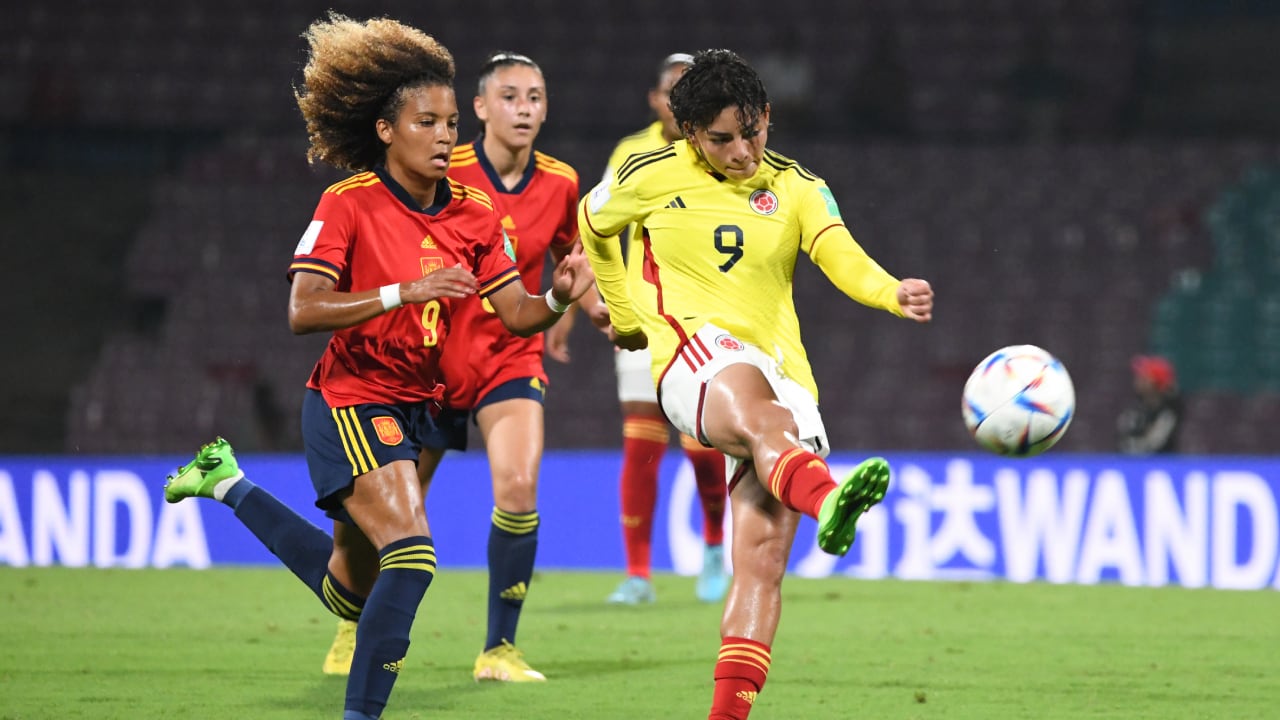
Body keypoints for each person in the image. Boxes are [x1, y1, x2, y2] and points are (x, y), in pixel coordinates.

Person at [161, 14, 593, 720]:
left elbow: (515, 313)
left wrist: (556, 297)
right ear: (388, 131)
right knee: (414, 558)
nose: (446, 135)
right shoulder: (349, 202)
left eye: (452, 122)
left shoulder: (475, 214)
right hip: (350, 399)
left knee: (346, 593)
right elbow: (302, 309)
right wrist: (403, 292)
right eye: (428, 121)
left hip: (416, 405)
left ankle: (226, 481)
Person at [578, 49, 933, 719]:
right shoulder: (644, 174)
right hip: (694, 354)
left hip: (783, 368)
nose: (742, 151)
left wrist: (892, 292)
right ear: (689, 133)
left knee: (763, 560)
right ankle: (828, 501)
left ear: (767, 116)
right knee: (765, 421)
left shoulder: (798, 185)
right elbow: (592, 227)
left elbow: (839, 253)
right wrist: (627, 317)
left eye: (753, 131)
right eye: (722, 139)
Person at [322, 50, 583, 683]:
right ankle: (351, 625)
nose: (525, 109)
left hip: (508, 358)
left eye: (536, 98)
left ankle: (498, 649)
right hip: (427, 368)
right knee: (381, 522)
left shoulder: (561, 182)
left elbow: (574, 261)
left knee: (519, 489)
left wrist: (587, 308)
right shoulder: (438, 169)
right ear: (481, 108)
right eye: (512, 97)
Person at [599, 53, 729, 607]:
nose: (681, 100)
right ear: (655, 100)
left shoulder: (724, 149)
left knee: (702, 443)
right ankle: (638, 573)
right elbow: (599, 226)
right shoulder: (631, 153)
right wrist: (607, 299)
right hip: (645, 319)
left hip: (706, 319)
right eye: (672, 91)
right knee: (641, 445)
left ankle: (716, 548)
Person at [1117, 354, 1182, 454]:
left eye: (1144, 377)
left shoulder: (1170, 410)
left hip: (1159, 465)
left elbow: (1155, 444)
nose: (1138, 380)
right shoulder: (1134, 407)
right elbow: (1122, 438)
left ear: (1156, 382)